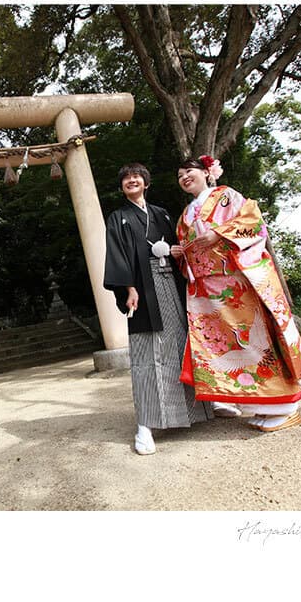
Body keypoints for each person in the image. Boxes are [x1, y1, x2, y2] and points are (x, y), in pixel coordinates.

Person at [170, 156, 301, 432]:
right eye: (180, 175)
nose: (185, 177)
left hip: (237, 281)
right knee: (231, 347)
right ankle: (261, 406)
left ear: (207, 173)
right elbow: (189, 252)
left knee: (256, 340)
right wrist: (180, 253)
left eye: (189, 171)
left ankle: (285, 406)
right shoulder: (185, 215)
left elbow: (252, 221)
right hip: (210, 292)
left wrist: (219, 234)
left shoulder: (226, 196)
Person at [104, 163, 213, 455]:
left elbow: (183, 245)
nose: (131, 180)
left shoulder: (163, 214)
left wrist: (177, 251)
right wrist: (128, 287)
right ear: (122, 186)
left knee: (181, 346)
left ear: (146, 183)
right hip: (142, 290)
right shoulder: (118, 218)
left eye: (136, 177)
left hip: (172, 287)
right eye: (126, 178)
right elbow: (116, 255)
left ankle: (196, 412)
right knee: (147, 354)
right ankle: (146, 424)